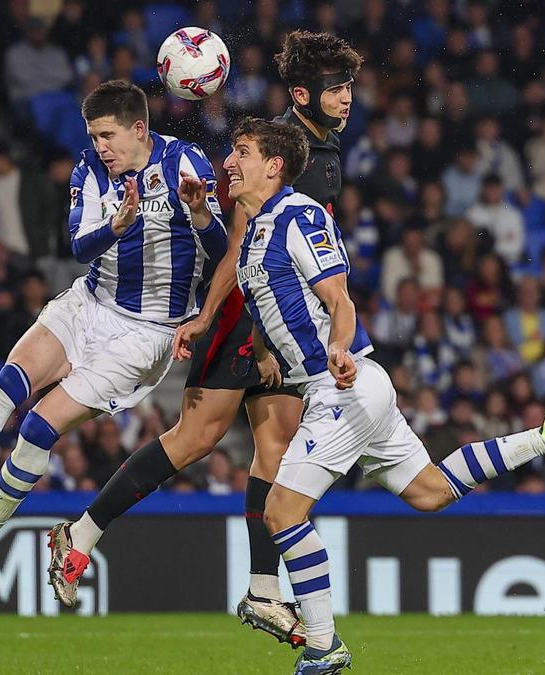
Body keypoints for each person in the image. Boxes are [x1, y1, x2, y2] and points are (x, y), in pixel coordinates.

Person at [233, 118, 545, 673]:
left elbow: (339, 300)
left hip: (342, 385)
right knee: (430, 493)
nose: (230, 162)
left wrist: (339, 351)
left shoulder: (298, 216)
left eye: (242, 152)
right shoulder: (253, 233)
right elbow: (270, 311)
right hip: (353, 390)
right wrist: (265, 350)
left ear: (273, 165)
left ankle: (322, 647)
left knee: (281, 510)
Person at [46, 31, 362, 648]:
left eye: (349, 86)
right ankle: (82, 534)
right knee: (195, 439)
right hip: (249, 315)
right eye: (336, 88)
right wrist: (214, 315)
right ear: (304, 95)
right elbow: (241, 241)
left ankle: (263, 592)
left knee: (275, 446)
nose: (347, 98)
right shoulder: (274, 150)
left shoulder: (323, 151)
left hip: (278, 317)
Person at [0, 80, 227, 573]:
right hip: (89, 301)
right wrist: (115, 228)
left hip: (145, 332)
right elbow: (78, 248)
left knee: (37, 425)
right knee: (8, 381)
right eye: (94, 136)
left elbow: (222, 253)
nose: (100, 147)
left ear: (139, 129)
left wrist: (199, 212)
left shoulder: (186, 165)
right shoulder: (90, 169)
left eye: (108, 136)